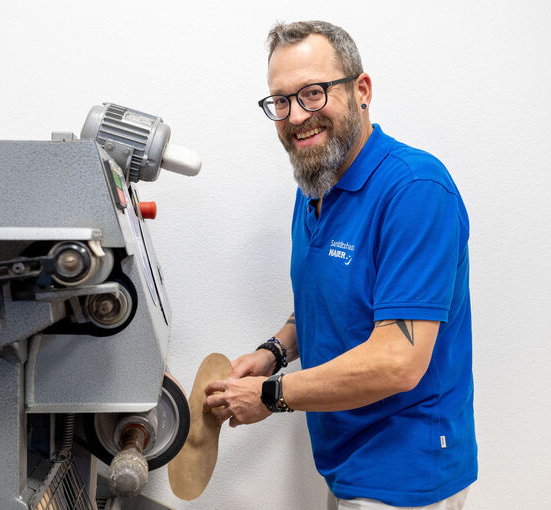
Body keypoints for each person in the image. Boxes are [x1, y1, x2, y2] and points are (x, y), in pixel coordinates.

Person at [203, 21, 477, 510]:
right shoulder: (315, 185)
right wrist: (273, 352)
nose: (295, 115)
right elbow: (330, 305)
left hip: (407, 477)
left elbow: (398, 361)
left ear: (361, 90)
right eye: (280, 101)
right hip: (345, 463)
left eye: (312, 93)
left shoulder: (415, 190)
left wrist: (270, 395)